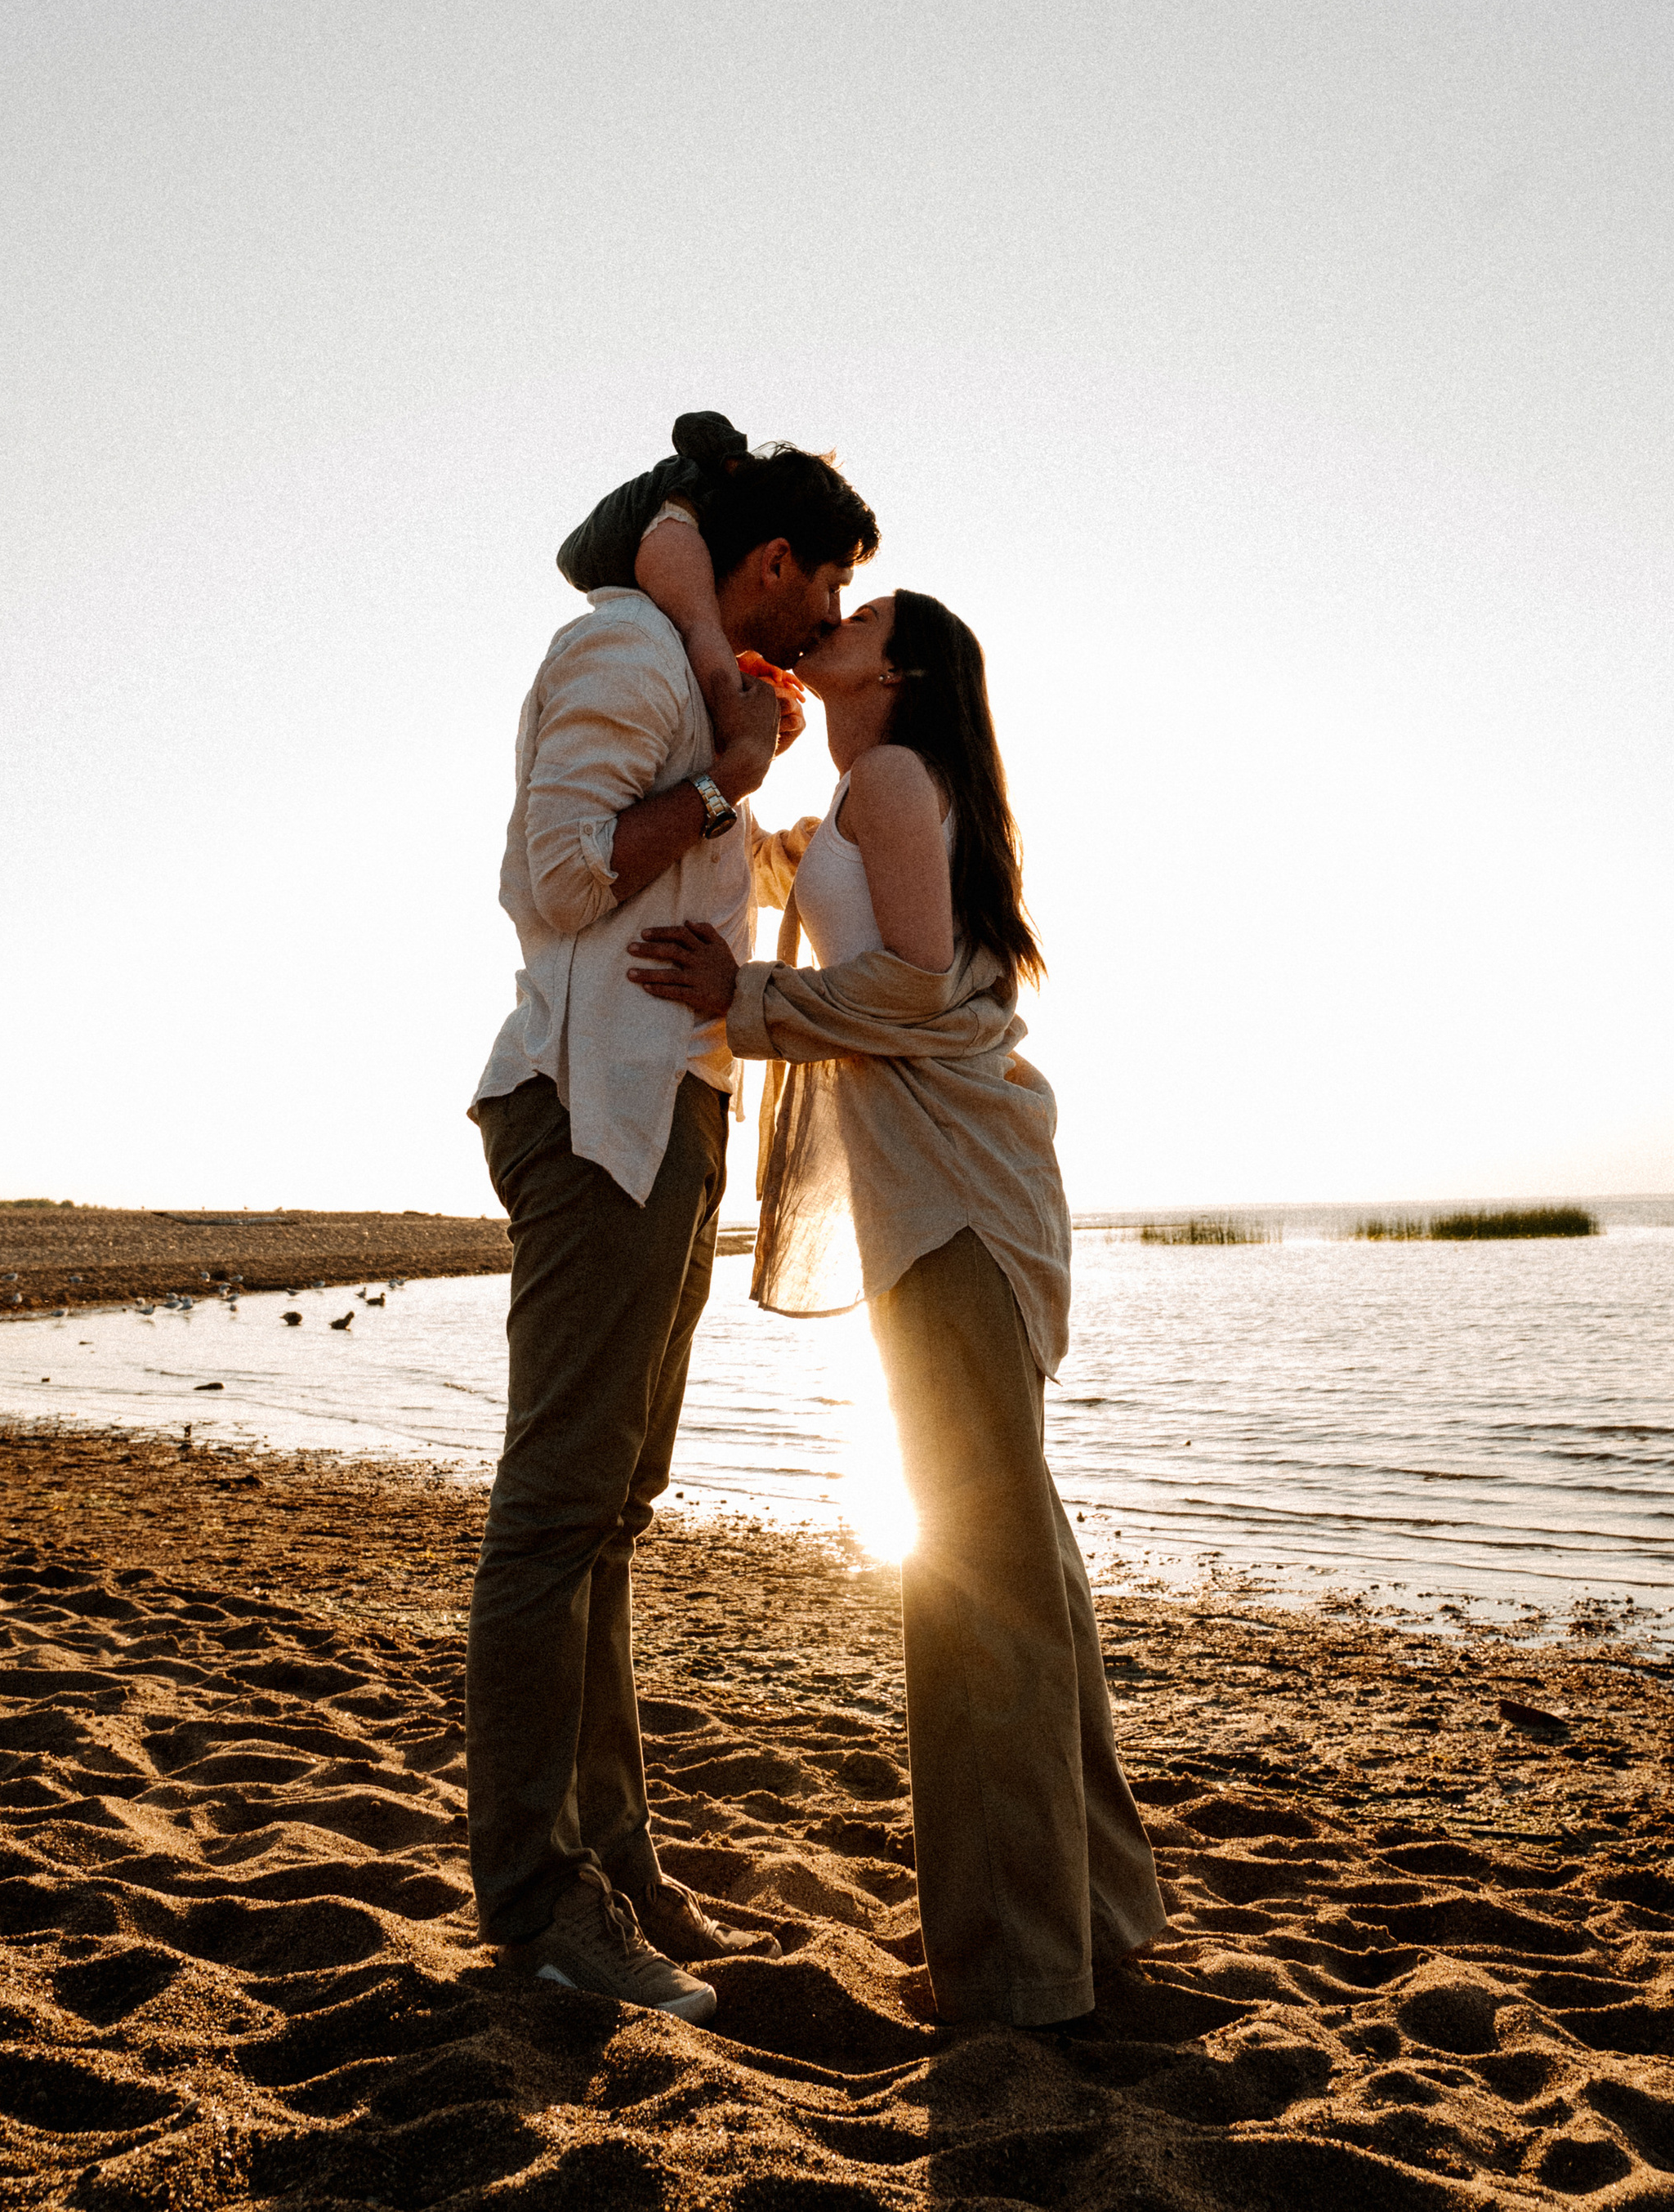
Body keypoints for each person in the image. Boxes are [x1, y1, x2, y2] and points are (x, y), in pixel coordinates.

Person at [631, 589, 1166, 2028]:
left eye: (857, 616)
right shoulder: (871, 792)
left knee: (980, 1582)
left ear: (903, 667)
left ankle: (1021, 1969)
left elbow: (921, 982)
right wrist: (745, 754)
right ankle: (1092, 1924)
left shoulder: (894, 774)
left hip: (956, 1204)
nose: (833, 618)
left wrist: (747, 998)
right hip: (955, 1198)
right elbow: (802, 887)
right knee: (1019, 1567)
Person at [466, 442, 880, 2021]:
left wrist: (753, 808)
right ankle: (538, 1900)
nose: (827, 620)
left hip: (672, 1116)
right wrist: (724, 779)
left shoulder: (702, 682)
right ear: (770, 563)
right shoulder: (623, 652)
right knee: (556, 1513)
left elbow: (680, 883)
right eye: (825, 587)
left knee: (616, 1512)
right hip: (590, 1117)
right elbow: (556, 877)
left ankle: (616, 1854)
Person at [553, 409, 760, 741]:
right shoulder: (693, 485)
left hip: (609, 552)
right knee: (701, 625)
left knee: (697, 629)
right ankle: (734, 719)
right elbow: (688, 425)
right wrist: (745, 735)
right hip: (660, 519)